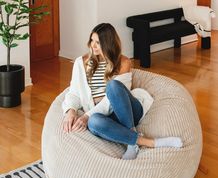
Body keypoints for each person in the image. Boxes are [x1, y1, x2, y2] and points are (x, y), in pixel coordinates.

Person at [62, 23, 182, 160]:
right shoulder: (81, 62)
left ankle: (132, 141)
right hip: (103, 116)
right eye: (92, 40)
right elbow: (74, 92)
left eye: (98, 43)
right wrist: (70, 110)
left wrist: (86, 115)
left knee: (113, 86)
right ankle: (145, 142)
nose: (92, 46)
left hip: (127, 110)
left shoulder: (123, 62)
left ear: (108, 44)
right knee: (93, 122)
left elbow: (111, 100)